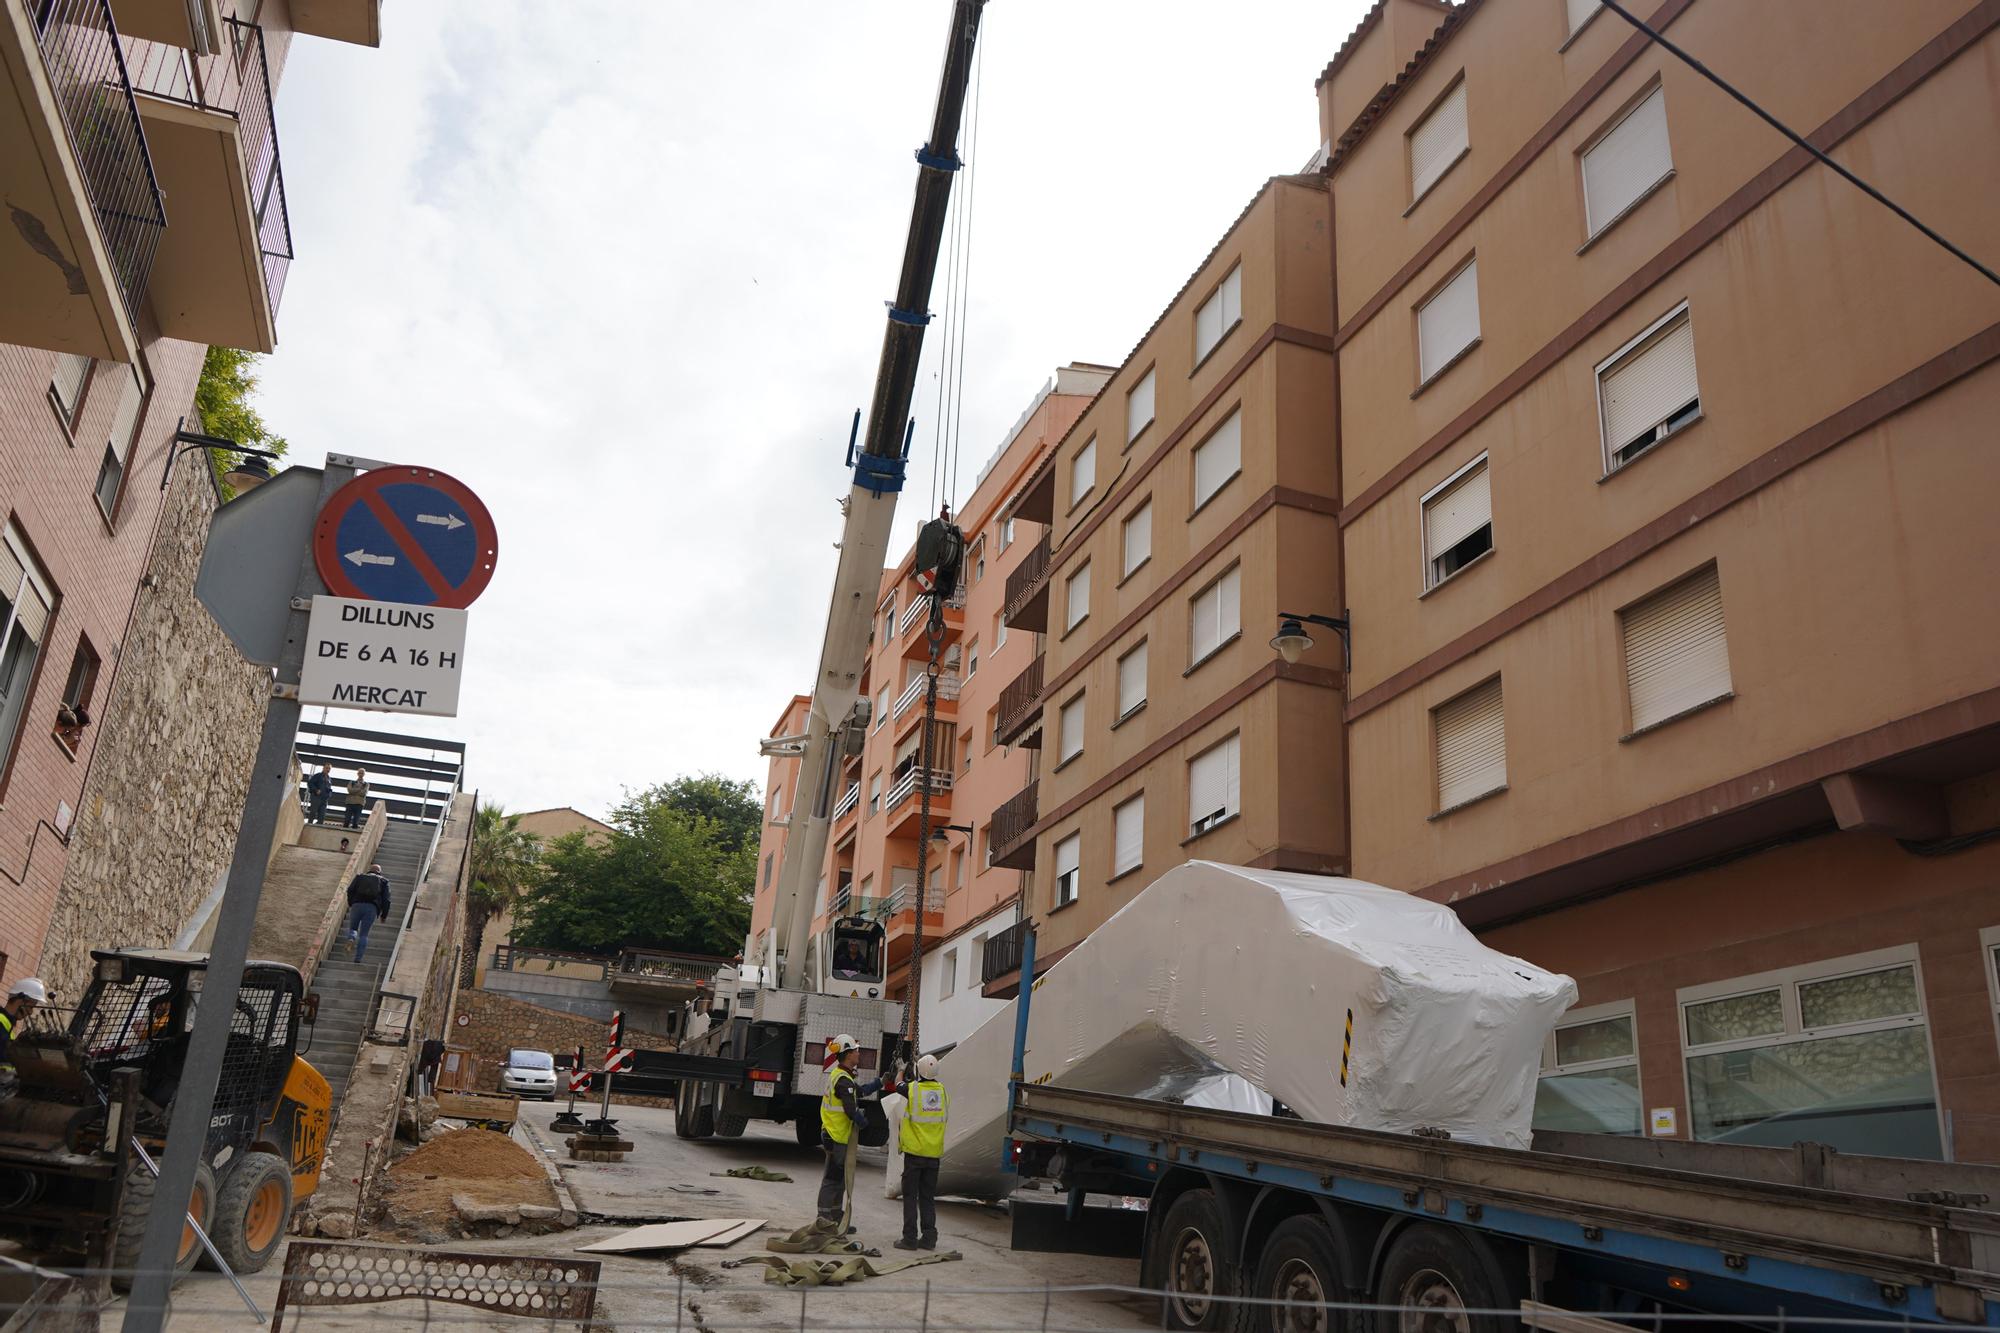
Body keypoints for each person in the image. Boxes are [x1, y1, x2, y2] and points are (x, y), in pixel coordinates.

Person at [815, 1034, 882, 1230]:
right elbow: (850, 1109)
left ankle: (836, 1217)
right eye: (856, 1051)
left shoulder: (841, 1076)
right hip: (836, 1136)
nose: (859, 1053)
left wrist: (880, 1082)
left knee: (840, 1179)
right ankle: (824, 1219)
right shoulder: (843, 1080)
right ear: (848, 1054)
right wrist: (864, 1123)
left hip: (834, 1134)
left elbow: (859, 1091)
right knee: (832, 1179)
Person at [895, 1053, 949, 1251]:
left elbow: (897, 1084)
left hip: (915, 1154)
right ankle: (929, 1238)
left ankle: (909, 1238)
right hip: (933, 1156)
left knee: (910, 1196)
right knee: (927, 1198)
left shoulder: (912, 1089)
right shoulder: (942, 1091)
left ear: (919, 1071)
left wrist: (901, 1069)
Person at [0, 977, 47, 1101]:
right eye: (31, 1007)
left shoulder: (8, 1027)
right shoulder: (1, 1024)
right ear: (21, 1000)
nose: (31, 1012)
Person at [342, 863, 393, 962]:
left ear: (369, 870)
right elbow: (387, 899)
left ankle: (351, 938)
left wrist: (351, 903)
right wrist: (384, 915)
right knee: (364, 934)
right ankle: (358, 958)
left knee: (353, 928)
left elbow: (350, 890)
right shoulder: (384, 881)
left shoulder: (360, 877)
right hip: (371, 908)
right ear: (380, 872)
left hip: (357, 905)